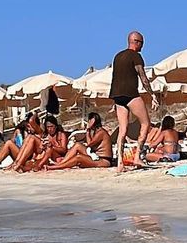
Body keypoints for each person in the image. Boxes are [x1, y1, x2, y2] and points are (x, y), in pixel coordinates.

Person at [110, 30, 154, 172]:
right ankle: (137, 156)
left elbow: (115, 77)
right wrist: (152, 94)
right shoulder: (136, 56)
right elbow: (143, 77)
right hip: (130, 94)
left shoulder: (117, 56)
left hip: (117, 96)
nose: (143, 46)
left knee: (122, 130)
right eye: (142, 43)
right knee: (146, 123)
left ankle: (120, 163)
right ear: (136, 42)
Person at [46, 112, 114, 169]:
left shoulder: (101, 132)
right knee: (77, 145)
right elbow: (89, 144)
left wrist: (88, 130)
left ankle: (56, 167)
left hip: (104, 160)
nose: (88, 122)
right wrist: (88, 131)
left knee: (78, 157)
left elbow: (90, 144)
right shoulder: (95, 132)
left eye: (89, 121)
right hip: (96, 156)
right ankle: (62, 163)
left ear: (93, 121)